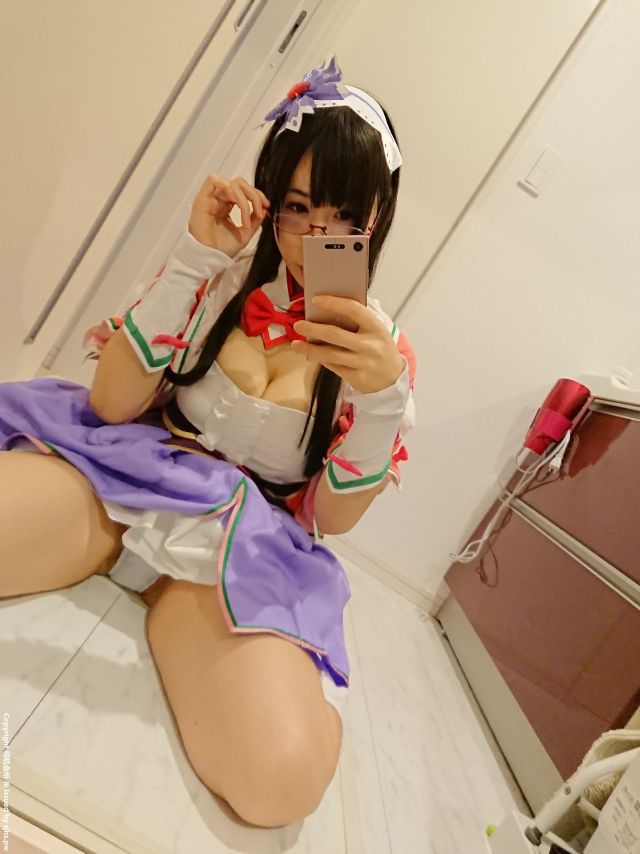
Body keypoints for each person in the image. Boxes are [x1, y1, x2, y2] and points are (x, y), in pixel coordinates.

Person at [0, 56, 416, 827]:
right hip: (124, 476)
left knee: (278, 781)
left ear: (375, 218)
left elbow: (331, 518)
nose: (314, 238)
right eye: (297, 207)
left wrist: (383, 401)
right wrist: (197, 257)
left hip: (241, 547)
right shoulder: (221, 276)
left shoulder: (377, 354)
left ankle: (299, 690)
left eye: (342, 217)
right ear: (270, 196)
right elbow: (112, 402)